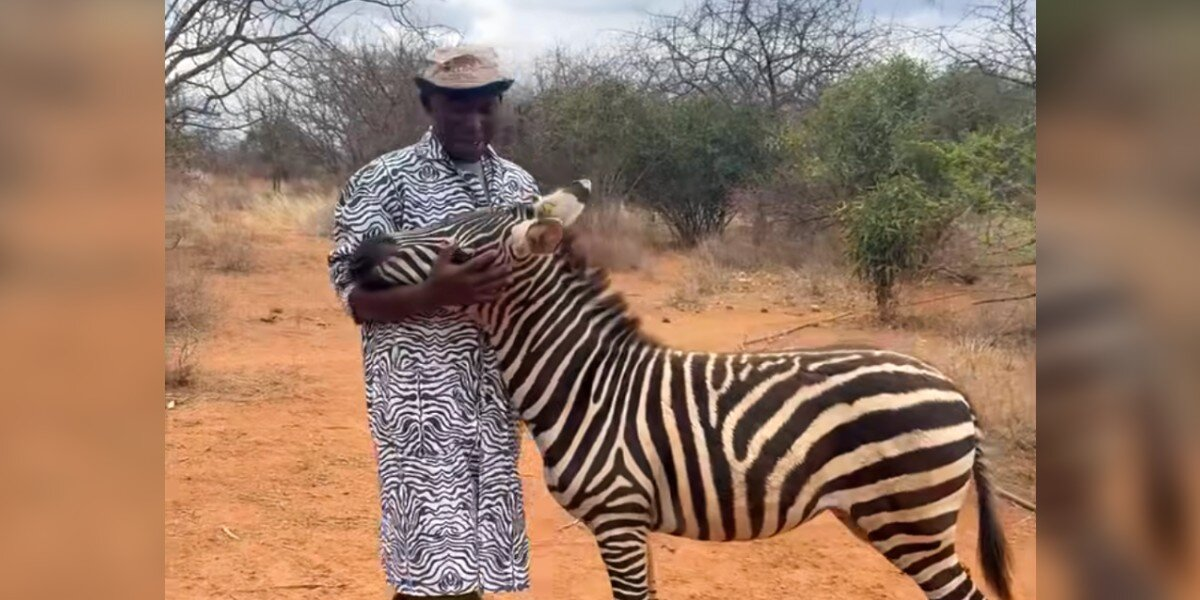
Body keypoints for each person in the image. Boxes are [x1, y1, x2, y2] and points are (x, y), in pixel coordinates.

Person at [327, 45, 537, 600]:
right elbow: (356, 299)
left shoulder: (519, 188)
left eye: (485, 106)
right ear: (428, 104)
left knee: (475, 563)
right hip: (421, 403)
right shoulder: (382, 183)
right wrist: (435, 293)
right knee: (430, 568)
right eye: (456, 107)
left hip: (492, 399)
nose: (473, 121)